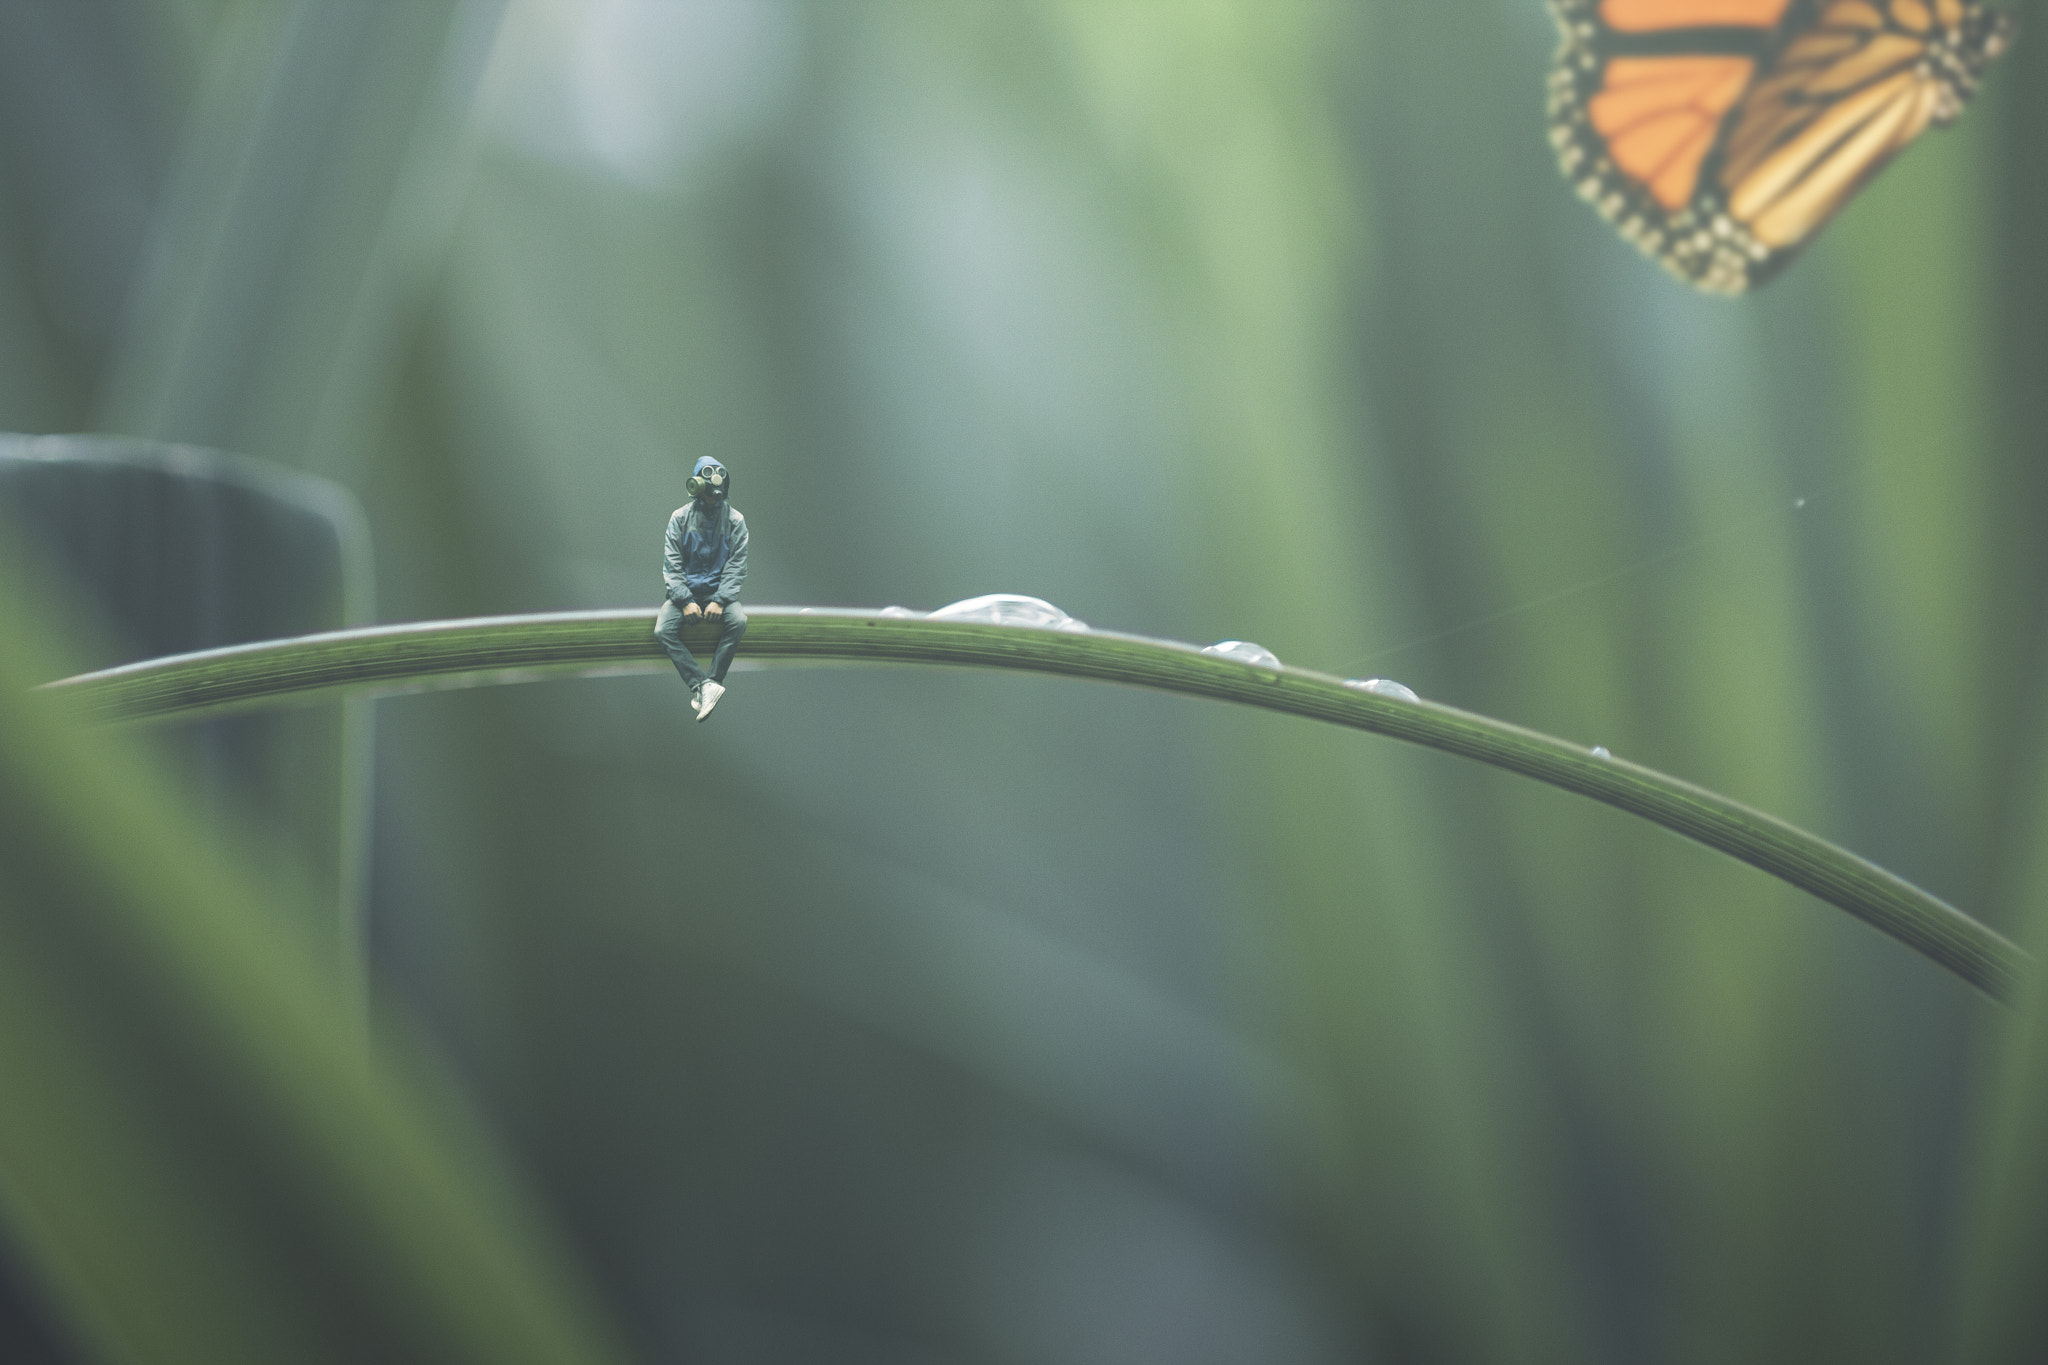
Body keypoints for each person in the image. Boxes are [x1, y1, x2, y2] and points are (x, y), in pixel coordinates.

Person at [655, 457, 748, 720]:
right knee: (663, 629)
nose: (713, 497)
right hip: (685, 593)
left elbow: (736, 565)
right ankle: (701, 685)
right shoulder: (680, 518)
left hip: (720, 594)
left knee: (738, 621)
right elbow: (672, 565)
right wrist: (684, 601)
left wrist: (721, 599)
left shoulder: (735, 520)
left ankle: (713, 682)